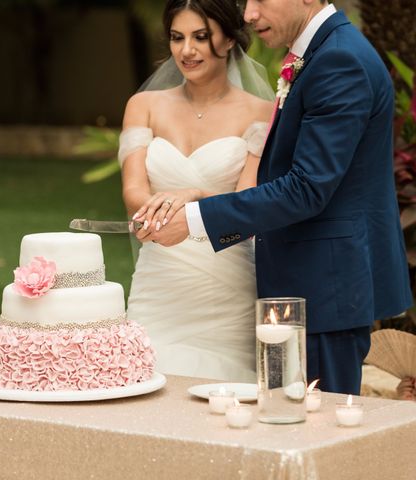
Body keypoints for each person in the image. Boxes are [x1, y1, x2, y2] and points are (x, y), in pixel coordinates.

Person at [141, 0, 412, 394]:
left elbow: (306, 188)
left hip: (325, 290)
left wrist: (197, 217)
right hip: (307, 286)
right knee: (289, 422)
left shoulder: (339, 60)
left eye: (260, 0)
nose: (249, 14)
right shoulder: (322, 52)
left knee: (322, 431)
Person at [119, 0, 274, 381]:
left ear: (230, 39)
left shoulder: (263, 113)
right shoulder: (143, 106)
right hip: (160, 281)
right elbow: (134, 192)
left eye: (200, 37)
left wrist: (196, 197)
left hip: (227, 279)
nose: (186, 50)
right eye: (177, 37)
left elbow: (248, 201)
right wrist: (164, 209)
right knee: (144, 385)